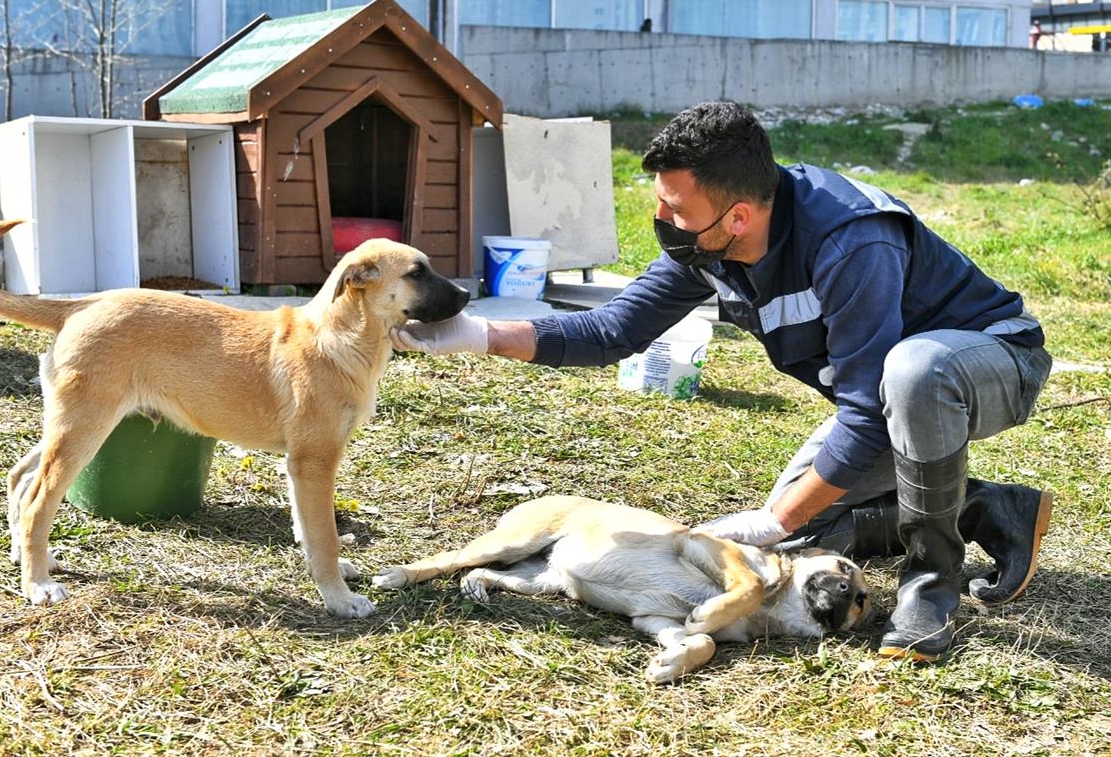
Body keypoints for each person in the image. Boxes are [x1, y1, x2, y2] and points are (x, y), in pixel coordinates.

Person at [392, 101, 1054, 662]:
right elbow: (612, 331)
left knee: (909, 377)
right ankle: (983, 507)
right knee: (796, 548)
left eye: (675, 208)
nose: (663, 221)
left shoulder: (850, 241)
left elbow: (865, 417)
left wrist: (774, 515)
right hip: (883, 405)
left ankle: (930, 586)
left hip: (988, 363)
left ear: (736, 216)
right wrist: (480, 335)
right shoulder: (708, 249)